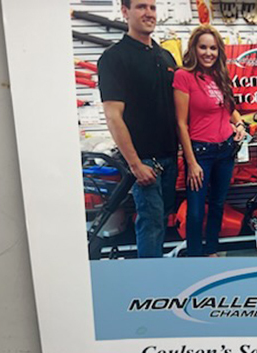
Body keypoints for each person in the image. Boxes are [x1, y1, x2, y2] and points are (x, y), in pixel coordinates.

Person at [97, 0, 178, 258]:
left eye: (152, 8)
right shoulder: (114, 58)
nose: (149, 13)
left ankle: (155, 271)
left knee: (160, 220)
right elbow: (113, 116)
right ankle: (151, 279)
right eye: (141, 7)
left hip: (169, 158)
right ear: (125, 12)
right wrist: (135, 164)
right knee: (151, 225)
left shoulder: (165, 56)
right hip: (144, 161)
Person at [173, 25, 246, 257]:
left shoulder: (220, 75)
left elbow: (230, 109)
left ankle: (212, 251)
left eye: (213, 48)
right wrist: (191, 162)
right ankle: (195, 256)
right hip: (200, 153)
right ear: (194, 48)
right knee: (195, 211)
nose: (208, 53)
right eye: (203, 47)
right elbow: (181, 124)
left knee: (217, 205)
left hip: (226, 151)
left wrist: (240, 124)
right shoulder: (183, 76)